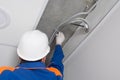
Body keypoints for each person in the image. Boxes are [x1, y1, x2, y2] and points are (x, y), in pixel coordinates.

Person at [0, 30, 65, 80]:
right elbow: (57, 64)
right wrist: (58, 44)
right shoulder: (54, 76)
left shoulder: (4, 73)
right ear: (43, 58)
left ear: (20, 56)